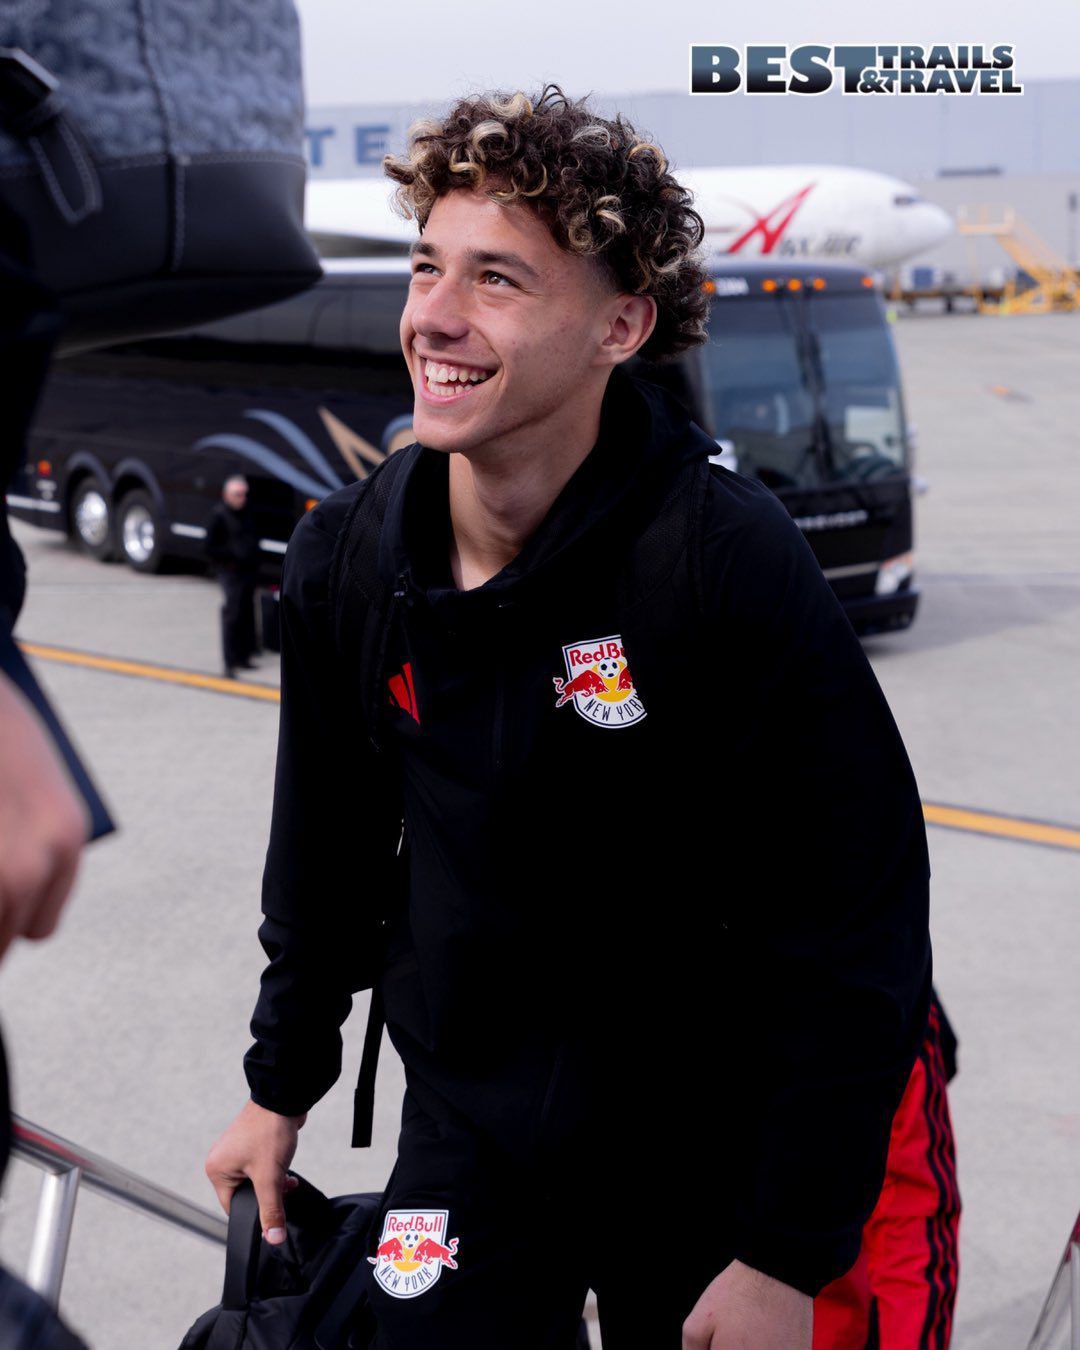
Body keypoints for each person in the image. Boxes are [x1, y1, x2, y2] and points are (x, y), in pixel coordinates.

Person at [206, 86, 932, 1348]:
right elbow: (324, 859)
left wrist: (785, 1254)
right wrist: (279, 1087)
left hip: (704, 1152)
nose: (434, 314)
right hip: (470, 1134)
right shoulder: (349, 560)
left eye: (497, 279)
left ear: (620, 325)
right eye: (428, 266)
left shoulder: (718, 560)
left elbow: (854, 922)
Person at [205, 475, 260, 678]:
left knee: (247, 613)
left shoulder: (248, 513)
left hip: (248, 570)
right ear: (227, 495)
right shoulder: (219, 516)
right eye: (237, 494)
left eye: (244, 494)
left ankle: (244, 657)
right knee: (232, 614)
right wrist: (229, 558)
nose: (241, 498)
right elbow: (209, 547)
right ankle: (229, 662)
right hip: (230, 571)